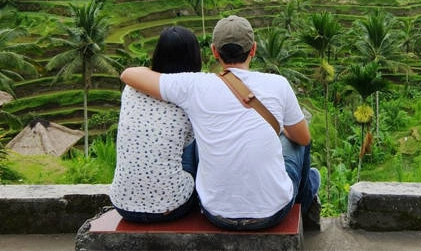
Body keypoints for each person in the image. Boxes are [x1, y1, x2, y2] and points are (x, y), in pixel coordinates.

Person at [120, 15, 321, 230]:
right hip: (272, 213)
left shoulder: (193, 85)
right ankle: (302, 202)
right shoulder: (278, 84)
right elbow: (303, 137)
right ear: (253, 49)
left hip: (216, 213)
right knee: (300, 147)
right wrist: (281, 132)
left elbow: (128, 74)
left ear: (215, 51)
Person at [110, 25, 202, 223]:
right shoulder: (188, 98)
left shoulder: (132, 88)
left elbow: (131, 72)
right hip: (171, 206)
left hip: (122, 204)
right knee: (197, 141)